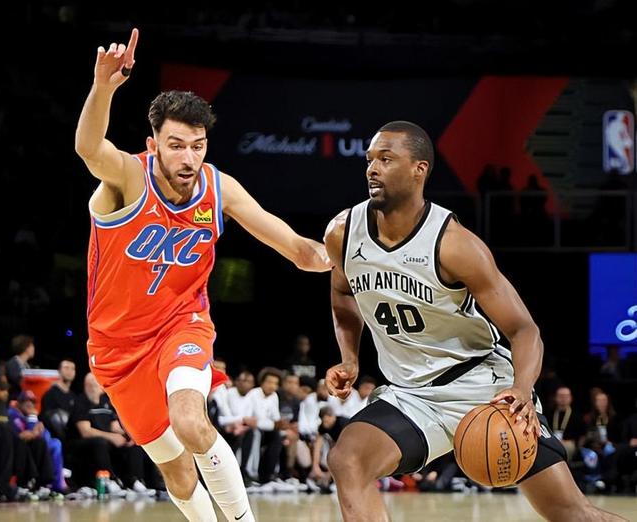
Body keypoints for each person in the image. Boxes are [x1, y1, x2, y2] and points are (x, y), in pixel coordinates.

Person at [74, 28, 330, 522]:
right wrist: (102, 88)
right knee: (178, 473)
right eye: (176, 146)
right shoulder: (128, 177)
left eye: (198, 145)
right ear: (153, 144)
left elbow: (297, 249)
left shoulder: (219, 188)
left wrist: (338, 258)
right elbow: (89, 148)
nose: (189, 158)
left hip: (182, 325)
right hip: (116, 349)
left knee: (191, 422)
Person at [323, 120, 626, 521]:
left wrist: (521, 388)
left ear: (419, 169)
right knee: (347, 460)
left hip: (483, 387)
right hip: (411, 395)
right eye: (369, 160)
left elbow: (524, 330)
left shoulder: (455, 244)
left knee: (571, 514)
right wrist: (350, 357)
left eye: (386, 159)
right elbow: (343, 293)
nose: (372, 169)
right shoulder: (343, 233)